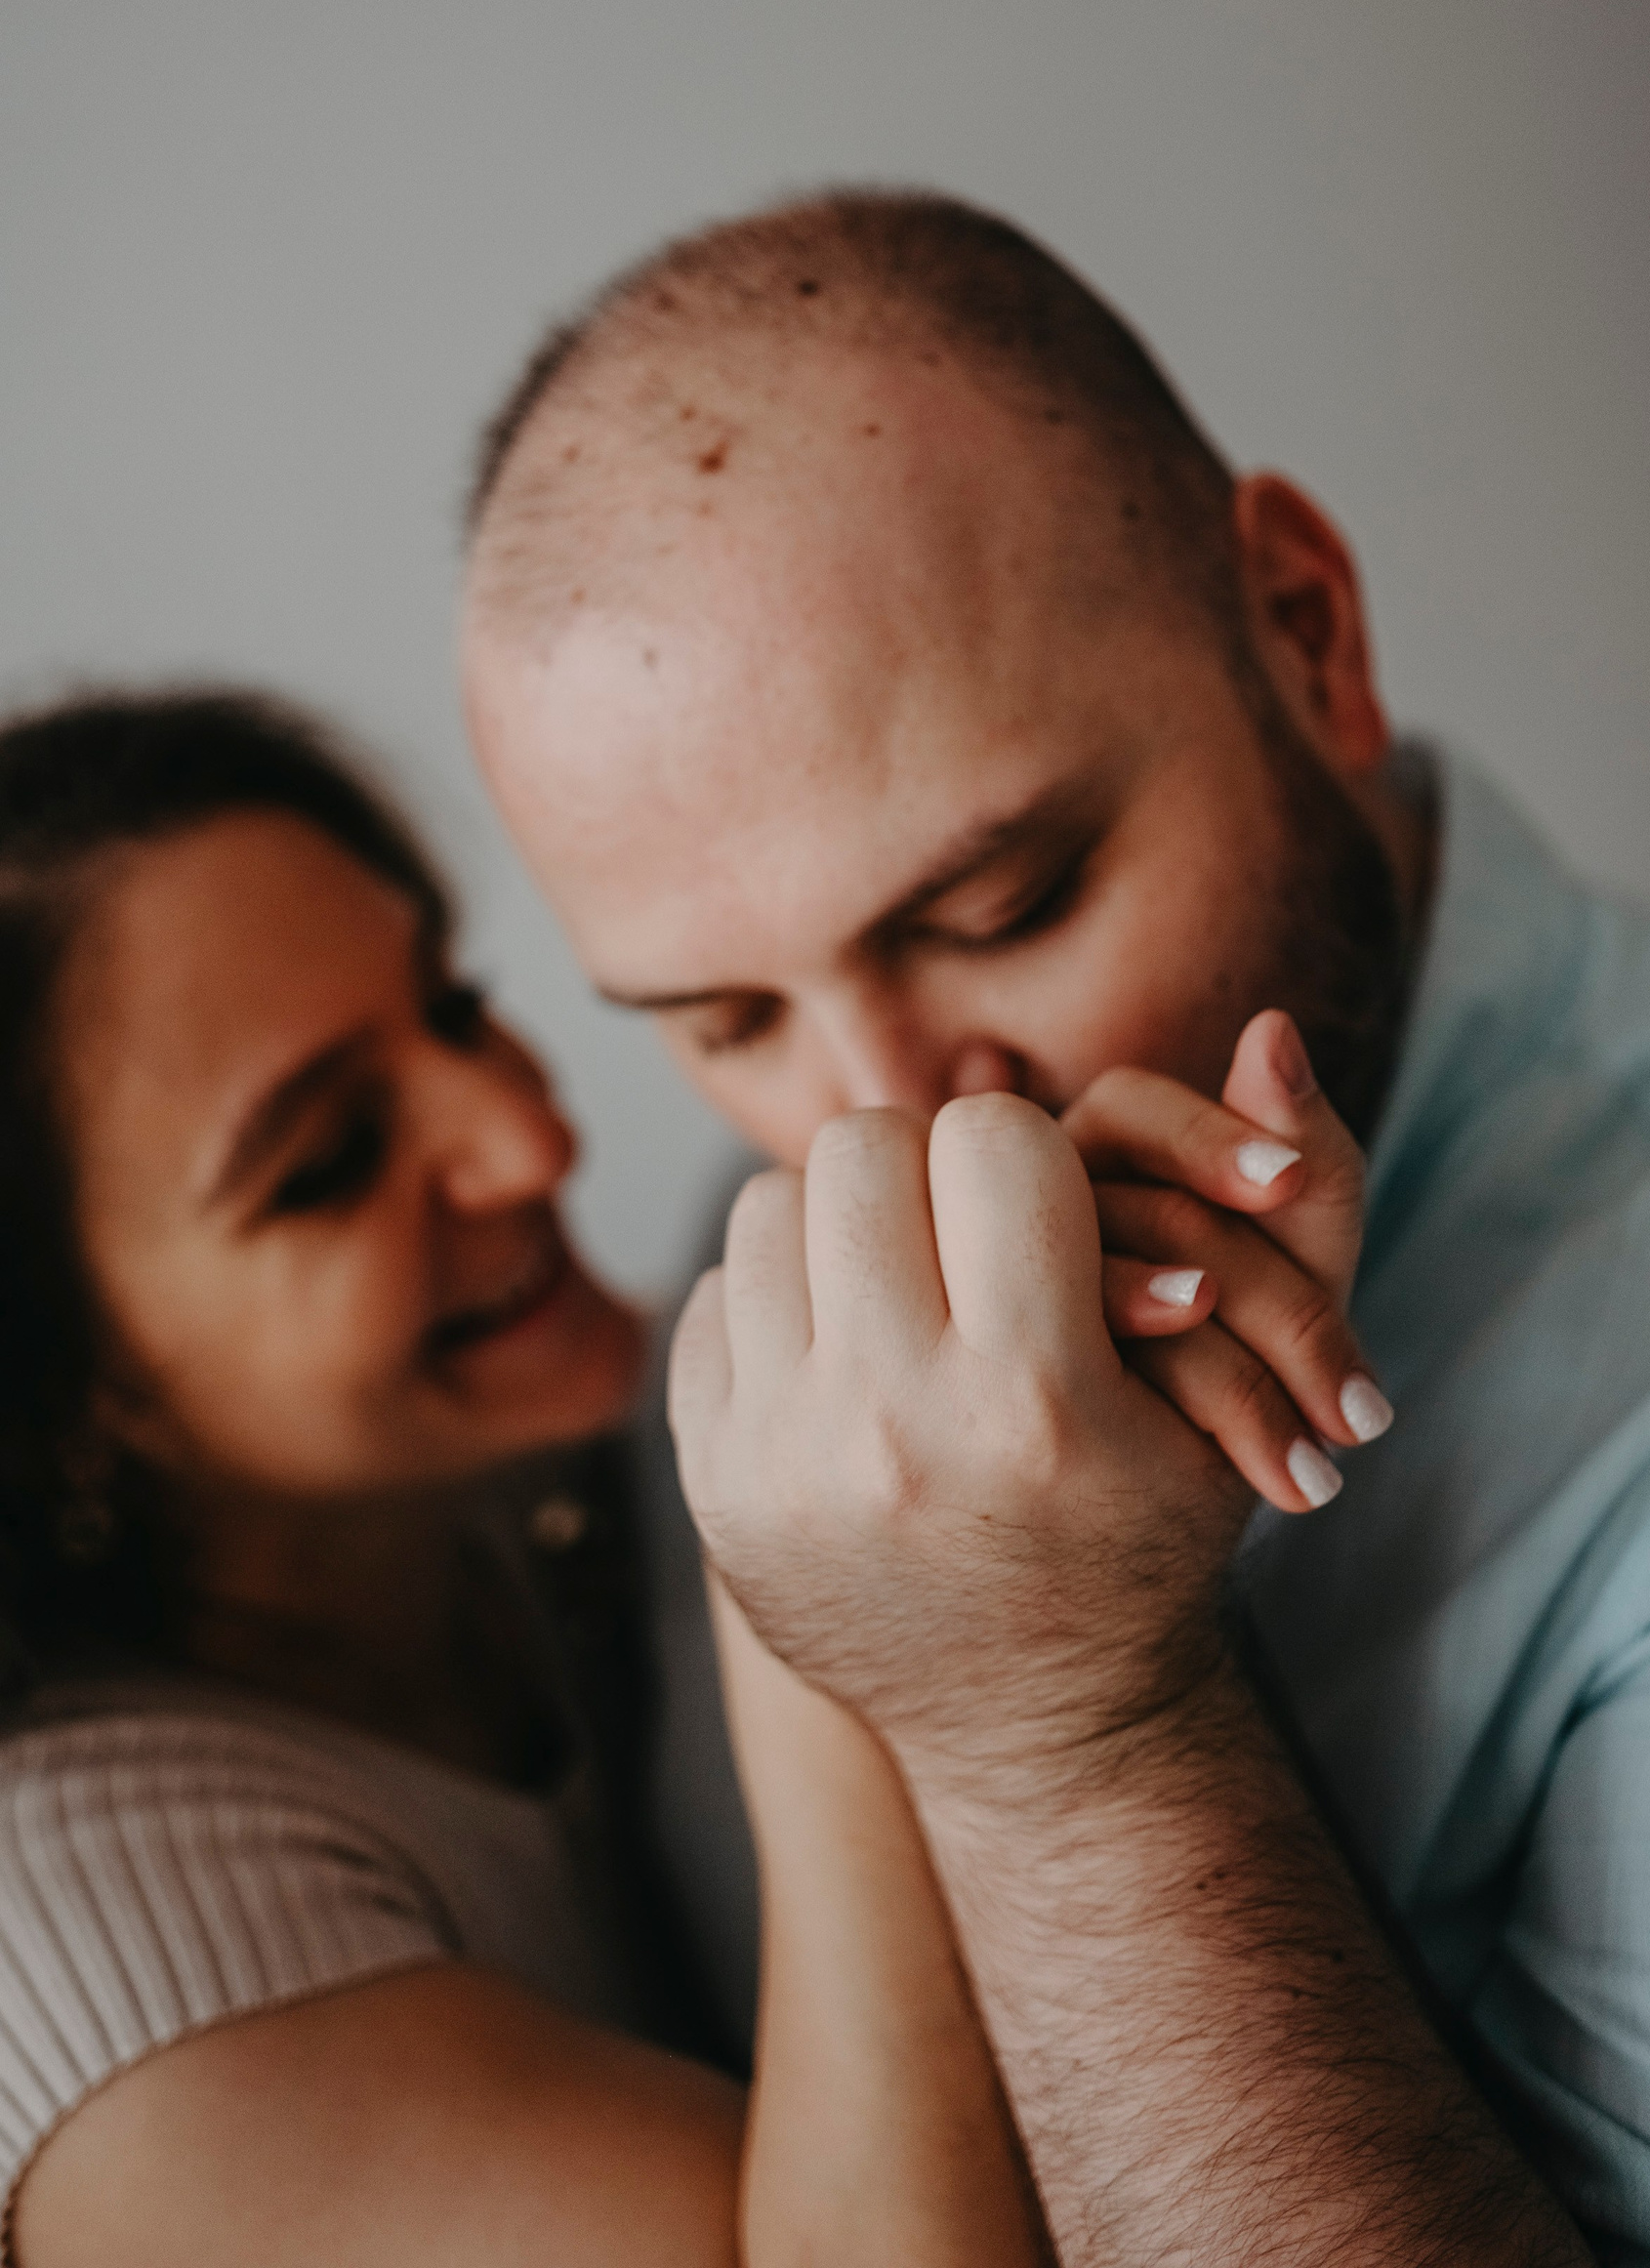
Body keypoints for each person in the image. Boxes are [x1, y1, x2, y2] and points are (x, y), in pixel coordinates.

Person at [464, 187, 1650, 2268]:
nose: (892, 1119)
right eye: (725, 1020)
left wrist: (1068, 1736)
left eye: (1002, 909)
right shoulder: (789, 1207)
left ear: (1306, 634)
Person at [0, 686, 1072, 2267]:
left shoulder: (513, 1482)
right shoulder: (95, 1970)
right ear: (62, 1403)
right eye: (328, 1162)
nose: (528, 1137)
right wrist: (810, 1613)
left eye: (452, 1005)